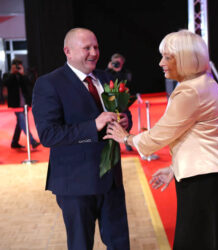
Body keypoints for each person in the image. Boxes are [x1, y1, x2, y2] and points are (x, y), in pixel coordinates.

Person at [104, 30, 218, 249]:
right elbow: (200, 137)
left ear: (186, 59)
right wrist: (174, 167)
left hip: (205, 184)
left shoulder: (190, 91)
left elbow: (160, 135)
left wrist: (127, 138)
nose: (161, 62)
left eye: (168, 57)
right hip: (213, 179)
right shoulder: (202, 83)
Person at [32, 28, 131, 249]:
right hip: (75, 184)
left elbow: (125, 112)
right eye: (87, 48)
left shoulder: (106, 77)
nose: (94, 52)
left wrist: (125, 120)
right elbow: (48, 135)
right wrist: (92, 126)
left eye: (96, 47)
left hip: (111, 180)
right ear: (68, 51)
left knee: (120, 243)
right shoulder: (49, 83)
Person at [3, 58, 40, 149]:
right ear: (12, 66)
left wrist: (22, 74)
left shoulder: (22, 75)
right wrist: (12, 73)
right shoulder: (7, 75)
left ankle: (14, 142)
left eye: (19, 66)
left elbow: (29, 83)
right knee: (23, 121)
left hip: (24, 103)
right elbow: (5, 83)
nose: (17, 68)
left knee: (20, 122)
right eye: (16, 66)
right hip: (15, 104)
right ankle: (32, 141)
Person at [106, 53, 134, 151]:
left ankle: (127, 141)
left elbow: (128, 82)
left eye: (119, 62)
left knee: (125, 120)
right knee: (111, 121)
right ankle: (111, 145)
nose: (117, 64)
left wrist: (119, 70)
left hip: (123, 101)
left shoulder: (126, 72)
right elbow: (105, 82)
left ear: (123, 62)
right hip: (110, 101)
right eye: (115, 62)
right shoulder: (107, 72)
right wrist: (109, 69)